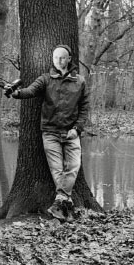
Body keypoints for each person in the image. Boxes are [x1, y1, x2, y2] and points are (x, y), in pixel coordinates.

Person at [5, 45, 90, 220]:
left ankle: (60, 201)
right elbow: (30, 91)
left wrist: (76, 129)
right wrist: (16, 93)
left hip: (71, 132)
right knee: (57, 170)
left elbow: (84, 109)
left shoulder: (80, 81)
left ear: (69, 59)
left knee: (73, 166)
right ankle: (64, 201)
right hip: (50, 132)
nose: (58, 61)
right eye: (55, 58)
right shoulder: (45, 79)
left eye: (62, 58)